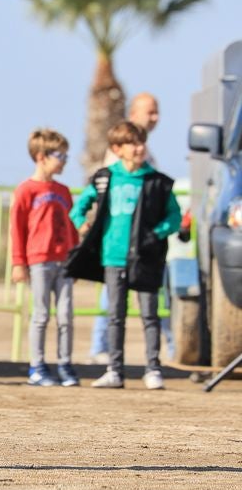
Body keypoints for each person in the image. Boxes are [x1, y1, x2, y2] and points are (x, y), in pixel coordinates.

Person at [68, 121, 181, 390]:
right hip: (112, 257)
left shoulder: (158, 182)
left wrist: (156, 234)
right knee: (115, 315)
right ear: (118, 149)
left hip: (146, 259)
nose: (140, 148)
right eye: (133, 143)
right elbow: (80, 206)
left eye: (142, 142)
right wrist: (80, 221)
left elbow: (174, 217)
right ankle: (114, 370)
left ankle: (153, 369)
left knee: (149, 315)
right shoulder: (105, 177)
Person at [87, 93, 171, 363]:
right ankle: (103, 349)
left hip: (142, 241)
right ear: (135, 114)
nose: (155, 118)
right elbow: (107, 191)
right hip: (119, 239)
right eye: (151, 112)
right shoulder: (119, 151)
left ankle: (163, 352)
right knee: (113, 300)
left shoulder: (147, 154)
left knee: (148, 303)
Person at [9, 129, 80, 387]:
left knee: (66, 315)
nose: (63, 160)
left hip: (65, 261)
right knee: (41, 315)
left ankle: (65, 364)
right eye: (60, 155)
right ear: (41, 156)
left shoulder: (63, 190)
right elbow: (17, 228)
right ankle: (37, 366)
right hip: (39, 261)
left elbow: (71, 225)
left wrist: (77, 254)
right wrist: (19, 262)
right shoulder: (26, 190)